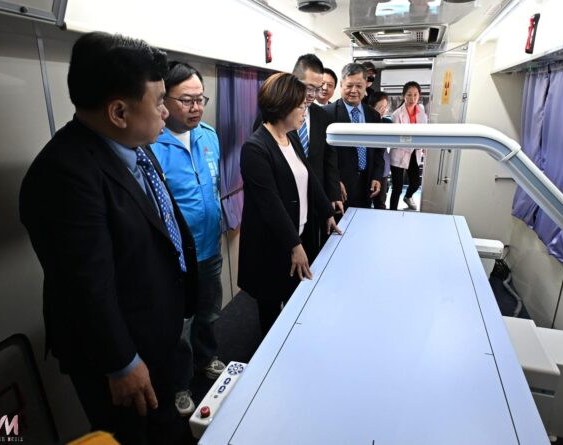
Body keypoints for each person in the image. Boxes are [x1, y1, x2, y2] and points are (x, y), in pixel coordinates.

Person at [19, 32, 197, 444]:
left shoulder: (135, 143)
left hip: (154, 329)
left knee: (166, 425)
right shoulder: (63, 175)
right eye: (159, 102)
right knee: (136, 435)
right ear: (119, 111)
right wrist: (122, 362)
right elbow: (84, 283)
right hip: (119, 353)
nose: (165, 112)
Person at [239, 73, 341, 336]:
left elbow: (310, 179)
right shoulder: (255, 148)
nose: (304, 111)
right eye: (300, 106)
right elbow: (270, 204)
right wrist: (295, 246)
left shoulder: (291, 137)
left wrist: (327, 213)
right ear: (282, 107)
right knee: (271, 311)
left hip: (297, 234)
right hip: (272, 245)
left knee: (296, 304)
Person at [149, 62, 225, 416]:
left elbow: (214, 185)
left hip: (209, 245)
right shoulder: (151, 142)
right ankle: (179, 384)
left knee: (209, 311)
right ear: (165, 100)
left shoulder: (208, 135)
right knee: (180, 324)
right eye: (187, 100)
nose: (196, 108)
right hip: (176, 256)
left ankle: (206, 358)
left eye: (200, 99)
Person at [254, 54, 342, 258]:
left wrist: (331, 196)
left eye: (317, 89)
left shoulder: (322, 115)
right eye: (308, 87)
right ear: (293, 80)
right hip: (284, 208)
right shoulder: (267, 125)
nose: (312, 95)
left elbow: (328, 158)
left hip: (312, 197)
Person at [324, 63, 384, 209]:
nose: (354, 90)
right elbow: (323, 154)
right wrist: (334, 182)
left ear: (365, 86)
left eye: (359, 86)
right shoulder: (327, 113)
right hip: (340, 186)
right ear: (341, 85)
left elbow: (378, 150)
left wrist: (377, 176)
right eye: (349, 86)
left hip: (367, 184)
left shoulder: (373, 115)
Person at [390, 81, 427, 211]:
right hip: (399, 152)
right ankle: (392, 212)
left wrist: (424, 146)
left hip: (414, 152)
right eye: (409, 95)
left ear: (419, 96)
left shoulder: (421, 112)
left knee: (416, 183)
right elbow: (397, 138)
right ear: (403, 96)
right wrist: (413, 142)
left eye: (415, 95)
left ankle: (408, 196)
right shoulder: (396, 114)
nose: (412, 98)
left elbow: (424, 132)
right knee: (397, 187)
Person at [368, 91, 392, 210]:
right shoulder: (366, 121)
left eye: (385, 107)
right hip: (368, 167)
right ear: (371, 107)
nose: (383, 110)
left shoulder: (388, 123)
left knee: (380, 202)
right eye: (380, 107)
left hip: (383, 168)